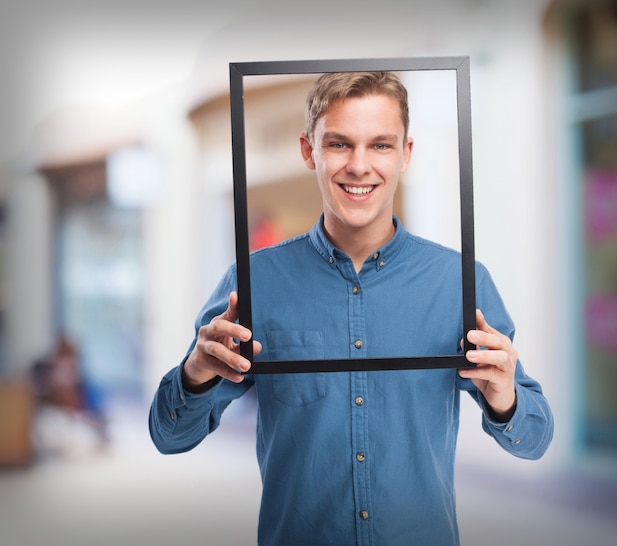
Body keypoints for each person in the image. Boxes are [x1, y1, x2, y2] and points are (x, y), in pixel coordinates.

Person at [149, 71, 554, 545]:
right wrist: (194, 375)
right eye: (339, 144)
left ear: (405, 154)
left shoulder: (460, 282)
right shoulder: (253, 282)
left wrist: (504, 398)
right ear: (309, 151)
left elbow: (535, 439)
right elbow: (169, 436)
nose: (360, 166)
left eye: (381, 145)